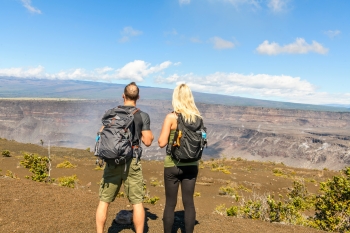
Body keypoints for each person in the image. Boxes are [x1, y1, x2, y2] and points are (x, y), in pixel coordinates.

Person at [96, 82, 154, 233]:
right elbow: (147, 141)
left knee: (104, 201)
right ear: (138, 97)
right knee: (137, 202)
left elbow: (101, 133)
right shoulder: (142, 115)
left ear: (123, 96)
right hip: (131, 162)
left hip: (112, 161)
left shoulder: (112, 113)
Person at [158, 83, 202, 233]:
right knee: (189, 203)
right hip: (192, 164)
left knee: (170, 204)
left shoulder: (171, 117)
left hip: (173, 165)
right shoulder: (197, 118)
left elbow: (162, 143)